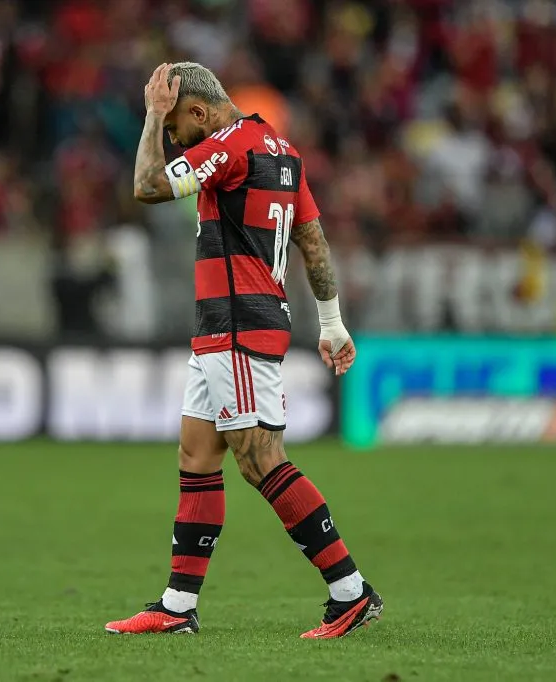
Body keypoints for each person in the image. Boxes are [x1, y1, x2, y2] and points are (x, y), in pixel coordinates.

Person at [104, 63, 382, 639]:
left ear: (200, 111)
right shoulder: (282, 151)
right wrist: (330, 322)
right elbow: (313, 239)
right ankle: (178, 606)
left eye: (179, 125)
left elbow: (148, 186)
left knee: (262, 460)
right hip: (221, 328)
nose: (176, 138)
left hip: (239, 326)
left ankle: (350, 592)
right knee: (198, 458)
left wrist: (154, 114)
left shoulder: (229, 146)